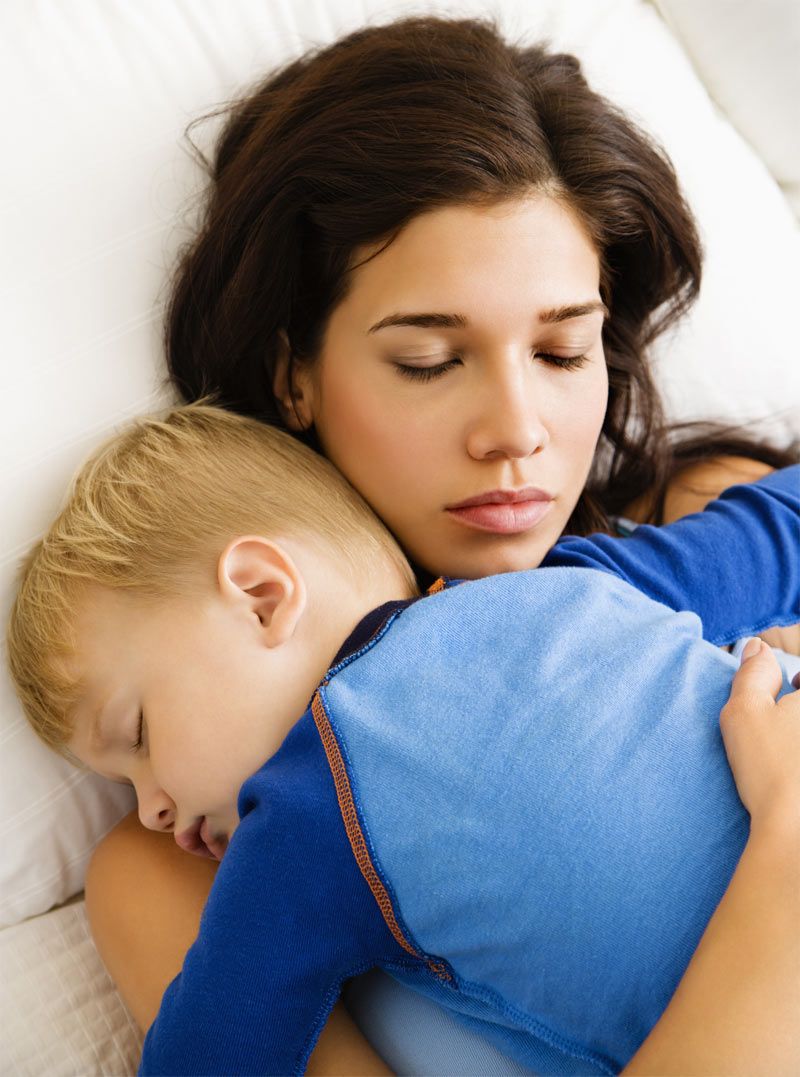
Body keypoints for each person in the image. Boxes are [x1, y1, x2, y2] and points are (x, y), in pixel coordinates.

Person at [83, 14, 800, 1073]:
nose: (514, 430)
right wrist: (783, 852)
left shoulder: (675, 549)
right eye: (426, 359)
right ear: (293, 373)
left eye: (562, 350)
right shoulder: (196, 850)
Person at [7, 404, 800, 1076]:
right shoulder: (571, 579)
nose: (146, 810)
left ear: (259, 596)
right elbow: (773, 527)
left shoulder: (310, 821)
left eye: (137, 734)